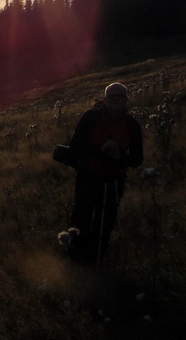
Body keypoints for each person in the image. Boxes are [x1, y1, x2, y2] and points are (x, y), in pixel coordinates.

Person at [65, 82, 143, 267]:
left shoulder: (131, 125)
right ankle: (75, 257)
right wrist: (101, 150)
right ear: (104, 99)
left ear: (127, 100)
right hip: (88, 176)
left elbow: (137, 159)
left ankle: (96, 258)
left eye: (120, 96)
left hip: (114, 179)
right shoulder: (90, 117)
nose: (116, 99)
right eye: (112, 96)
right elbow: (75, 146)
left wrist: (120, 155)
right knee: (81, 216)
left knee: (105, 221)